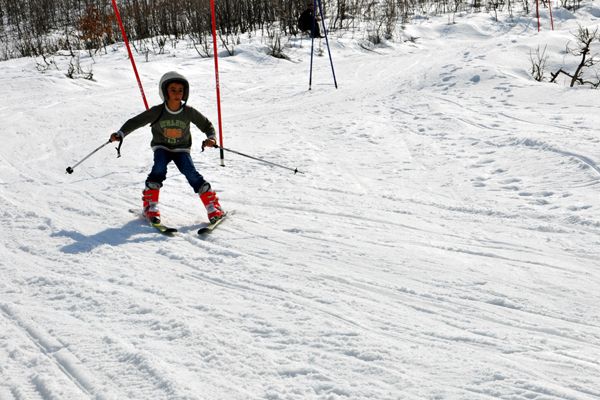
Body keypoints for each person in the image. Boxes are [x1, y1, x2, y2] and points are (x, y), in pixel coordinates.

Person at [109, 71, 224, 225]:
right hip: (161, 146)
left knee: (191, 172)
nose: (177, 93)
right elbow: (137, 121)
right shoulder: (158, 111)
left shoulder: (188, 111)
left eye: (180, 90)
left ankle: (213, 206)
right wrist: (121, 133)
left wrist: (211, 138)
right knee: (159, 168)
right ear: (165, 92)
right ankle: (150, 206)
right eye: (173, 90)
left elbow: (206, 125)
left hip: (181, 149)